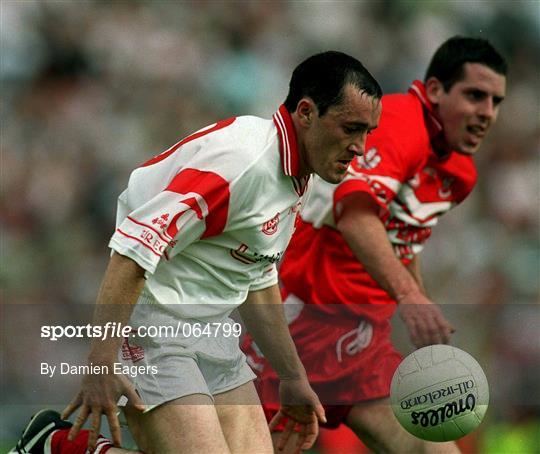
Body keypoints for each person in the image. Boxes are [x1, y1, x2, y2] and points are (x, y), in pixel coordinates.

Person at [10, 51, 383, 454]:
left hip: (213, 327)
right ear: (307, 112)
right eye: (351, 129)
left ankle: (64, 447)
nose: (360, 147)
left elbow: (255, 276)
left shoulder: (297, 171)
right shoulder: (241, 163)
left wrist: (293, 376)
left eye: (368, 132)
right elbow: (132, 252)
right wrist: (101, 362)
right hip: (151, 323)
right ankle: (58, 446)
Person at [243, 36, 507, 453]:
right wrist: (409, 297)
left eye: (495, 102)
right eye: (475, 96)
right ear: (435, 90)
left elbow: (403, 242)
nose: (486, 113)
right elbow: (355, 215)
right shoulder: (399, 123)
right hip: (302, 328)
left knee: (432, 445)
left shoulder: (459, 172)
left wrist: (420, 303)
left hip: (362, 339)